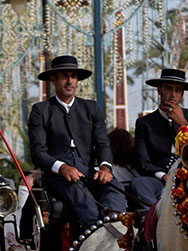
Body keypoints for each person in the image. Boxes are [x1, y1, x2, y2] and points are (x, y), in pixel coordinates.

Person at [27, 55, 125, 227]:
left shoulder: (91, 108)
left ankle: (116, 237)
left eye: (73, 76)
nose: (70, 81)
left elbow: (103, 143)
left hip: (88, 170)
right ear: (54, 80)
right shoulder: (41, 110)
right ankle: (94, 246)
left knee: (115, 189)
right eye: (65, 76)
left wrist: (105, 167)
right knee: (87, 205)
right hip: (58, 176)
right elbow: (38, 153)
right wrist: (62, 167)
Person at [130, 68, 188, 208]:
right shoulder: (145, 123)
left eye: (178, 90)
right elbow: (142, 162)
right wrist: (163, 176)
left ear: (182, 94)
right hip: (160, 180)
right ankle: (154, 219)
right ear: (159, 90)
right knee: (139, 184)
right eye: (168, 88)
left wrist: (184, 124)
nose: (173, 94)